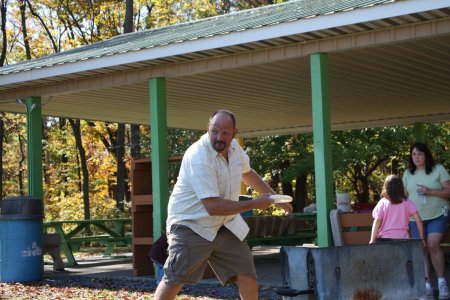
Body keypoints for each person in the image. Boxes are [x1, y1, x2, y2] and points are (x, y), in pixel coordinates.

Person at [154, 109, 293, 300]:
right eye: (215, 131)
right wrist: (255, 204)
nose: (219, 137)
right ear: (208, 128)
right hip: (190, 225)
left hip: (224, 225)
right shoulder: (199, 156)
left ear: (234, 133)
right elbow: (213, 207)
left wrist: (273, 197)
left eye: (225, 133)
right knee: (174, 279)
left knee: (247, 276)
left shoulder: (235, 149)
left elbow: (247, 172)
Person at [403, 142, 450, 299]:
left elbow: (448, 191)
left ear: (426, 155)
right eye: (414, 154)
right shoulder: (408, 173)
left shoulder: (438, 169)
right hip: (415, 219)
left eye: (420, 154)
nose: (416, 157)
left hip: (438, 214)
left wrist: (430, 191)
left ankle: (442, 282)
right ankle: (427, 286)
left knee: (432, 245)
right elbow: (403, 196)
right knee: (421, 249)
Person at [369, 174, 424, 244]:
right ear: (401, 187)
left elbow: (377, 221)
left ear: (386, 187)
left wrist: (372, 240)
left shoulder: (383, 202)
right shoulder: (408, 202)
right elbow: (418, 220)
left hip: (385, 238)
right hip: (404, 238)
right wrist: (421, 238)